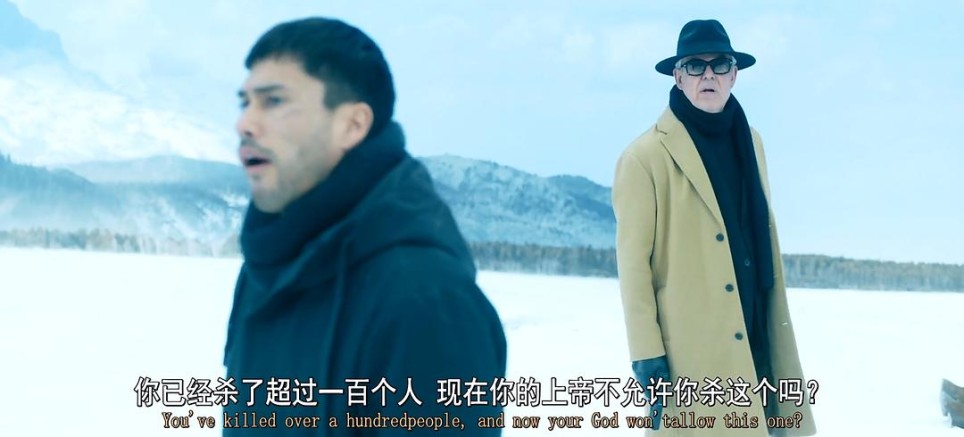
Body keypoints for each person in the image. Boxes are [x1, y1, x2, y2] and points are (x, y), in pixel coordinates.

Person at [223, 17, 507, 435]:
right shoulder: (264, 271)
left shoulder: (429, 300)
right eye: (245, 102)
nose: (245, 123)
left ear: (352, 125)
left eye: (274, 101)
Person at [611, 19, 816, 436]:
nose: (709, 75)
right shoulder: (643, 158)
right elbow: (633, 269)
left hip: (758, 331)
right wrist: (647, 356)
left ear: (734, 75)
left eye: (720, 64)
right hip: (693, 350)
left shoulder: (752, 142)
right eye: (695, 65)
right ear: (678, 76)